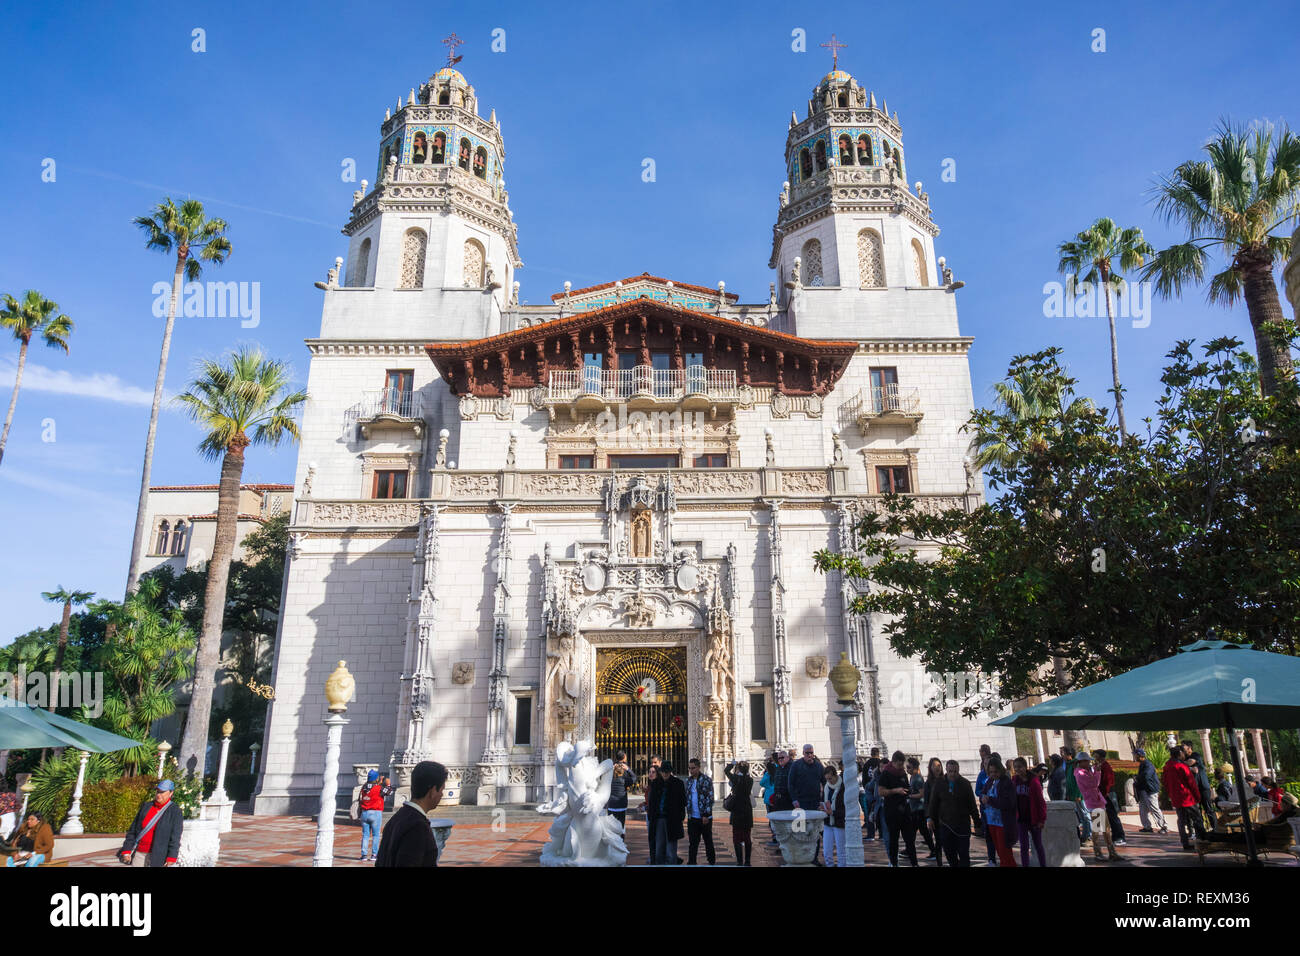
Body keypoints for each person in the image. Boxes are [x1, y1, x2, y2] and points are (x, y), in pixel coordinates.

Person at [375, 760, 445, 867]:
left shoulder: (398, 818)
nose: (442, 795)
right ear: (433, 791)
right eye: (441, 790)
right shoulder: (417, 826)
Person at [926, 759, 980, 867]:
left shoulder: (965, 784)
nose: (952, 774)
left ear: (958, 770)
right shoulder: (939, 783)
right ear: (946, 770)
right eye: (950, 771)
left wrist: (977, 823)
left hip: (962, 825)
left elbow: (972, 805)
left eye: (955, 771)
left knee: (964, 853)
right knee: (950, 854)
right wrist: (930, 818)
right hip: (945, 825)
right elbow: (933, 803)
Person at [118, 779, 184, 867]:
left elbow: (175, 837)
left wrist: (171, 857)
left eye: (162, 792)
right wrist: (127, 850)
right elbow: (133, 830)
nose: (158, 795)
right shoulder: (147, 806)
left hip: (159, 856)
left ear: (171, 793)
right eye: (157, 791)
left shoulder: (175, 811)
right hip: (139, 853)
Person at [1074, 752, 1123, 862]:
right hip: (1093, 803)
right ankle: (1098, 853)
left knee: (1106, 829)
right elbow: (1095, 783)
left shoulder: (1085, 771)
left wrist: (1095, 770)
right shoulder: (1080, 773)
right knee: (1097, 830)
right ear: (1080, 762)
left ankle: (1111, 852)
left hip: (1097, 801)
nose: (1088, 763)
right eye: (1086, 761)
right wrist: (1098, 771)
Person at [1161, 748, 1206, 850]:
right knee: (1197, 818)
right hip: (1187, 797)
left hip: (1176, 797)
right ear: (1179, 754)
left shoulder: (1167, 767)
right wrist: (1197, 797)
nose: (1184, 755)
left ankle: (1184, 841)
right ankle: (1202, 839)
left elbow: (1165, 783)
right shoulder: (1181, 766)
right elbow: (1191, 783)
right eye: (1183, 753)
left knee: (1181, 820)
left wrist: (1171, 794)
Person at [877, 750, 914, 866]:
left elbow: (906, 787)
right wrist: (895, 791)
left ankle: (914, 863)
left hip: (904, 810)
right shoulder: (886, 774)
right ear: (893, 762)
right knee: (894, 840)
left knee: (909, 839)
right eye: (898, 764)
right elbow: (881, 792)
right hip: (892, 811)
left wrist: (909, 791)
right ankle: (894, 863)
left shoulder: (902, 773)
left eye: (902, 764)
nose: (900, 767)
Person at [983, 755, 1019, 866]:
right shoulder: (989, 781)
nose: (993, 774)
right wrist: (983, 797)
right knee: (1000, 852)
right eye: (991, 772)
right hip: (991, 821)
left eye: (996, 772)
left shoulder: (1006, 782)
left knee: (1005, 853)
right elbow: (983, 793)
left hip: (1003, 822)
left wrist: (990, 800)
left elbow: (1008, 803)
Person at [1012, 757, 1047, 866]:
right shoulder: (1014, 781)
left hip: (1034, 819)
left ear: (1025, 767)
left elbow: (1041, 802)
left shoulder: (1034, 781)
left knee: (1038, 845)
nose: (1018, 769)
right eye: (1015, 767)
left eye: (1020, 767)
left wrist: (1042, 819)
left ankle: (1043, 864)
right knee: (1024, 846)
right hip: (1021, 819)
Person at [652, 762, 686, 865]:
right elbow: (653, 802)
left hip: (672, 819)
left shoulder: (678, 783)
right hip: (659, 819)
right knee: (659, 849)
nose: (665, 774)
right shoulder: (656, 783)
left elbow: (682, 801)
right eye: (663, 772)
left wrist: (680, 817)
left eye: (667, 772)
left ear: (670, 772)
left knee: (671, 850)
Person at [1091, 749, 1127, 845]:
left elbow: (1107, 781)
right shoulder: (1098, 766)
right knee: (1106, 817)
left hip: (1107, 794)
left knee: (1112, 816)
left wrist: (1104, 794)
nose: (1094, 757)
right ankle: (1111, 837)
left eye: (1096, 755)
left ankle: (1120, 837)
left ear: (1100, 757)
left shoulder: (1105, 766)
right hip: (1102, 794)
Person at [357, 770, 394, 862]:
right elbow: (390, 792)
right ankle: (374, 855)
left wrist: (379, 782)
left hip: (364, 813)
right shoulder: (379, 788)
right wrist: (388, 784)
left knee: (365, 835)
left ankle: (364, 855)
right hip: (375, 813)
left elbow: (361, 798)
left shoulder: (364, 787)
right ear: (376, 778)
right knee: (376, 835)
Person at [684, 757, 715, 865]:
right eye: (689, 768)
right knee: (693, 842)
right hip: (692, 817)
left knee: (708, 840)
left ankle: (711, 861)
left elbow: (710, 798)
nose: (691, 770)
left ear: (698, 767)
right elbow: (686, 797)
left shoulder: (706, 780)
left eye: (693, 768)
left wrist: (706, 814)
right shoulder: (688, 781)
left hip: (704, 817)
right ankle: (692, 862)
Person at [904, 757, 935, 864]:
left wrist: (910, 796)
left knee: (919, 832)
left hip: (919, 809)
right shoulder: (912, 777)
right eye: (906, 767)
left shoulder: (917, 778)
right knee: (918, 832)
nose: (907, 769)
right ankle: (910, 850)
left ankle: (932, 850)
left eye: (909, 767)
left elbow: (922, 794)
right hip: (914, 809)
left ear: (915, 767)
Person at [1131, 748, 1168, 834]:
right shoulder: (1142, 764)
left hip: (1150, 790)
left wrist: (1138, 779)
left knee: (1154, 808)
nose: (1135, 757)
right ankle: (1147, 827)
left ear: (1140, 755)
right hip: (1143, 790)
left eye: (1136, 755)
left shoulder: (1148, 765)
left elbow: (1146, 777)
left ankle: (1164, 826)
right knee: (1143, 809)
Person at [724, 760, 754, 866]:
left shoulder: (736, 778)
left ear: (739, 769)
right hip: (747, 810)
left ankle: (740, 861)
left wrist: (732, 764)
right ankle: (748, 861)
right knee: (747, 837)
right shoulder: (750, 780)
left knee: (737, 837)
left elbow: (726, 771)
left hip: (737, 809)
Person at [1182, 741, 1215, 827]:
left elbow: (1190, 762)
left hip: (1203, 787)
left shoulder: (1195, 755)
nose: (1182, 748)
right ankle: (1201, 831)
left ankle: (1215, 828)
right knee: (1196, 811)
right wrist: (1189, 768)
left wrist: (1182, 765)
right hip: (1193, 789)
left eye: (1183, 746)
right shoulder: (1184, 759)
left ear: (1189, 748)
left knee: (1208, 809)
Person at [820, 764, 847, 866]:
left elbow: (846, 809)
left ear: (835, 775)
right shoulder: (827, 787)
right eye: (827, 779)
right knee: (826, 851)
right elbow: (824, 801)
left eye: (830, 778)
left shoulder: (843, 788)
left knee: (841, 851)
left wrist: (833, 812)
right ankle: (830, 865)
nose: (829, 781)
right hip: (828, 822)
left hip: (839, 822)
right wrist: (823, 808)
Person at [787, 744, 824, 812]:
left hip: (816, 801)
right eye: (807, 753)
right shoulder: (796, 765)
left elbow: (825, 782)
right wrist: (794, 799)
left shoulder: (819, 766)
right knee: (803, 822)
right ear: (803, 753)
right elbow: (790, 783)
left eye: (811, 753)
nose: (809, 755)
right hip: (801, 801)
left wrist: (823, 800)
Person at [923, 757, 945, 863]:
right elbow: (926, 802)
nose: (937, 768)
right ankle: (939, 862)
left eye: (939, 765)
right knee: (939, 840)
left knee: (948, 840)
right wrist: (928, 818)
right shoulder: (928, 783)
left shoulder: (945, 780)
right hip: (935, 817)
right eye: (934, 765)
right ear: (930, 768)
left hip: (947, 815)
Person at [975, 744, 994, 864]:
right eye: (985, 764)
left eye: (989, 764)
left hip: (998, 811)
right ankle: (991, 858)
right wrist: (983, 795)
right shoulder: (981, 775)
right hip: (986, 810)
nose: (987, 766)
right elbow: (977, 790)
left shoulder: (999, 776)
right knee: (989, 836)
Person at [607, 752, 636, 833]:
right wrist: (628, 769)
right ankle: (621, 841)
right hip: (621, 804)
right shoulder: (625, 780)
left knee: (611, 827)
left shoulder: (610, 779)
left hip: (611, 804)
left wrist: (610, 769)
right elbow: (634, 778)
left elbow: (603, 777)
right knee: (621, 826)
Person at [644, 755, 662, 862]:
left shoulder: (660, 784)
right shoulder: (651, 785)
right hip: (650, 815)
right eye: (649, 772)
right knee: (651, 838)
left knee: (657, 838)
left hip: (658, 816)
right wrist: (644, 805)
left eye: (653, 771)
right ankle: (653, 857)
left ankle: (657, 858)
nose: (650, 774)